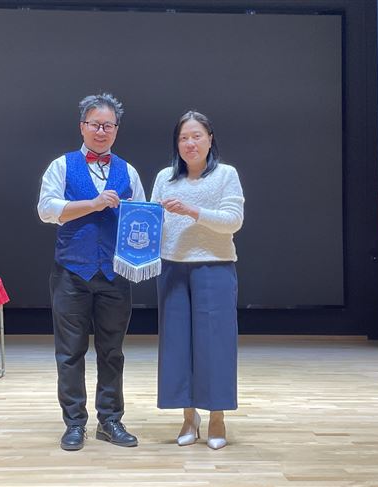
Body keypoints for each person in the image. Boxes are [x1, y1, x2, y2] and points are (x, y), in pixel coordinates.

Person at [37, 93, 145, 451]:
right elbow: (47, 210)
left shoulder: (128, 171)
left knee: (112, 352)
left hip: (115, 274)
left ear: (117, 130)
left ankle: (110, 421)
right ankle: (74, 423)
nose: (101, 131)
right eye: (95, 124)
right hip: (71, 272)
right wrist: (94, 204)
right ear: (82, 126)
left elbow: (140, 217)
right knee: (70, 352)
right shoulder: (61, 166)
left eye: (108, 125)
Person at [150, 110, 244, 450]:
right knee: (177, 344)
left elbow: (233, 220)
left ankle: (217, 415)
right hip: (173, 268)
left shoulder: (226, 175)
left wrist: (192, 211)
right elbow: (151, 221)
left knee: (215, 343)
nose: (190, 143)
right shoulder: (164, 177)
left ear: (210, 139)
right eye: (183, 138)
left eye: (196, 136)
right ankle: (189, 416)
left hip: (214, 266)